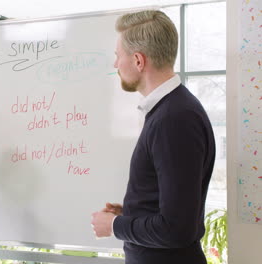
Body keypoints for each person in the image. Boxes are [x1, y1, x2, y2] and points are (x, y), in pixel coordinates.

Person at [91, 10, 216, 264]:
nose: (116, 65)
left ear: (138, 60)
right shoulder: (172, 110)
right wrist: (132, 214)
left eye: (118, 56)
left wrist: (115, 226)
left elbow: (177, 229)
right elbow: (175, 209)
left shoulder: (174, 118)